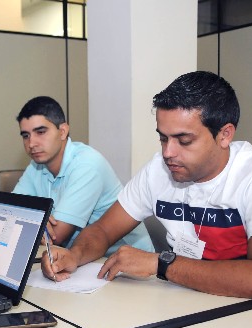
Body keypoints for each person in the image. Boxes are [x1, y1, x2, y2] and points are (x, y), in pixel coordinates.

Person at [42, 72, 252, 307]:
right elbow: (103, 230)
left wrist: (162, 264)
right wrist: (74, 255)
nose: (168, 153)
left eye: (184, 140)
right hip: (186, 306)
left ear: (224, 135)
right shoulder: (159, 170)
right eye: (163, 138)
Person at [12, 96, 153, 254]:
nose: (31, 143)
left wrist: (32, 221)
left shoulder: (87, 164)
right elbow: (10, 215)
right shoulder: (36, 166)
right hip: (80, 256)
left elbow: (55, 237)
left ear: (63, 131)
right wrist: (35, 222)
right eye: (26, 136)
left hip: (125, 259)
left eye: (41, 132)